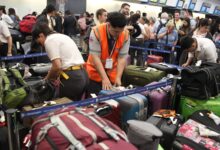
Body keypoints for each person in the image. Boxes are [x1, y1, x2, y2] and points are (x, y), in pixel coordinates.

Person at [32, 22, 89, 100]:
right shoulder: (61, 36)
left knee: (64, 108)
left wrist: (46, 80)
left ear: (41, 35)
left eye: (39, 42)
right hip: (83, 74)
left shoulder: (49, 41)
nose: (41, 45)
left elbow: (57, 66)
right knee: (75, 108)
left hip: (73, 78)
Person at [86, 12, 130, 94]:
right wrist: (104, 78)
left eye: (120, 31)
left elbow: (122, 58)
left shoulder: (125, 34)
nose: (118, 34)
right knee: (94, 100)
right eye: (116, 31)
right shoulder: (96, 31)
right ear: (108, 25)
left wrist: (118, 77)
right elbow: (95, 57)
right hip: (95, 71)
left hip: (112, 72)